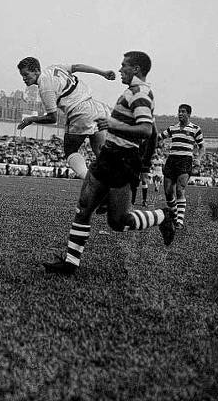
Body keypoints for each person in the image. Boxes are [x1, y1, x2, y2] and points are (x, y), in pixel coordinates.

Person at [43, 51, 175, 276]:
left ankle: (163, 216)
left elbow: (146, 130)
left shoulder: (141, 94)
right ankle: (70, 264)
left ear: (136, 69)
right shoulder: (130, 92)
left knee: (118, 221)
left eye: (124, 66)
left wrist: (113, 126)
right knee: (84, 208)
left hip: (124, 161)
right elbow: (149, 132)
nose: (120, 69)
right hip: (107, 156)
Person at [16, 57, 115, 178]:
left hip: (79, 112)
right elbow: (77, 67)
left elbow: (52, 118)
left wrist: (31, 119)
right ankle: (114, 184)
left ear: (36, 70)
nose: (24, 79)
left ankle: (89, 179)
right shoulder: (54, 68)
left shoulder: (45, 87)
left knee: (70, 151)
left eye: (26, 74)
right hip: (95, 107)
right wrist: (103, 72)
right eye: (22, 75)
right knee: (99, 151)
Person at [157, 104, 205, 231]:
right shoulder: (173, 128)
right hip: (172, 160)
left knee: (180, 189)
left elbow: (202, 147)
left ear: (189, 114)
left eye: (183, 112)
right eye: (179, 111)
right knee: (168, 192)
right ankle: (174, 213)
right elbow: (159, 138)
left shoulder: (195, 129)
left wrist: (198, 159)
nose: (180, 114)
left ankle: (179, 220)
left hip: (185, 160)